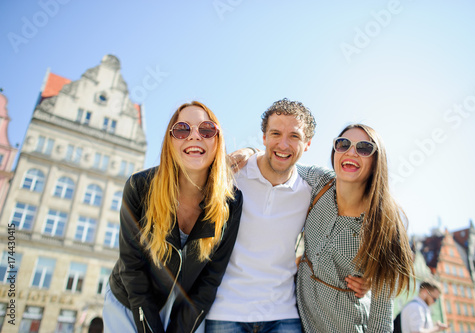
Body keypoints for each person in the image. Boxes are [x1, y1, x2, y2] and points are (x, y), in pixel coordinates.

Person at [205, 99, 368, 333]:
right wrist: (248, 152)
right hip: (225, 311)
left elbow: (351, 222)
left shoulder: (311, 191)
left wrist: (366, 278)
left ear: (308, 144)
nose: (283, 144)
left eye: (294, 136)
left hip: (283, 316)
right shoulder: (233, 173)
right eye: (275, 133)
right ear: (263, 138)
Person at [103, 101, 243, 333]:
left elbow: (210, 281)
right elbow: (132, 269)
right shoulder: (139, 187)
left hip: (185, 308)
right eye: (182, 129)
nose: (194, 136)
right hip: (130, 300)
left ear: (217, 140)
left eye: (206, 129)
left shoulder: (232, 202)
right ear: (170, 142)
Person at [295, 123, 415, 332]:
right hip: (298, 321)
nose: (351, 151)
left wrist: (370, 281)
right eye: (343, 144)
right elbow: (279, 162)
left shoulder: (384, 223)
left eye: (364, 148)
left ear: (377, 161)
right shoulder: (320, 182)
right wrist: (249, 152)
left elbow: (381, 316)